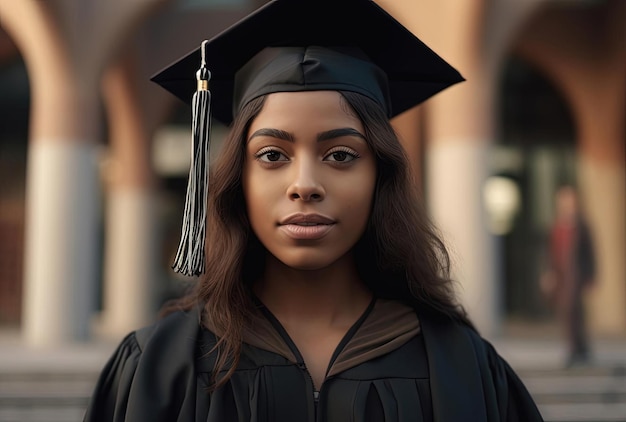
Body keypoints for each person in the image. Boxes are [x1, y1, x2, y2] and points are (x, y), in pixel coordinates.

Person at [84, 0, 544, 420]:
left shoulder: (462, 367)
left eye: (341, 155)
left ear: (380, 176)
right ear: (236, 180)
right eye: (272, 156)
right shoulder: (158, 366)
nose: (304, 185)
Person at [541, 185, 596, 367]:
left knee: (573, 309)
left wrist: (591, 275)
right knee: (567, 311)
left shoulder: (582, 226)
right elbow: (551, 253)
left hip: (576, 275)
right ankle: (579, 347)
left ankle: (575, 348)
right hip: (561, 275)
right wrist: (549, 273)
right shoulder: (557, 226)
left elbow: (590, 253)